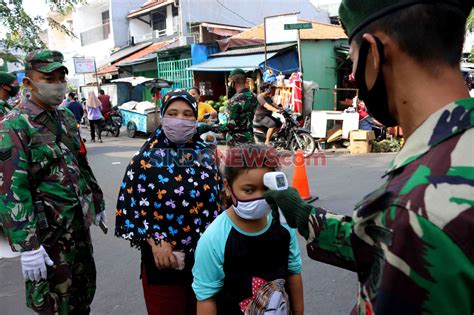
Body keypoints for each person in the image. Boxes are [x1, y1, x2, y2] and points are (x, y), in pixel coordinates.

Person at [264, 1, 474, 314]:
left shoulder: (415, 207)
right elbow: (384, 241)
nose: (351, 75)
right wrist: (305, 216)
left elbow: (407, 234)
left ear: (375, 54)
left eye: (352, 60)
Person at [0, 49, 105, 314]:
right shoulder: (14, 125)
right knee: (55, 303)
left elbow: (80, 164)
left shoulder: (66, 118)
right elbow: (12, 190)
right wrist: (29, 246)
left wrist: (96, 199)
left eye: (61, 77)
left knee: (82, 293)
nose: (57, 84)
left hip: (78, 227)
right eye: (49, 78)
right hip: (48, 237)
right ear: (28, 83)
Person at [115, 89, 223, 315]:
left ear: (196, 120)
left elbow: (221, 204)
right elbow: (130, 209)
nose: (180, 120)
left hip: (207, 261)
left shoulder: (207, 157)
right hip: (164, 260)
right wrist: (156, 241)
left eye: (187, 114)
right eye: (173, 113)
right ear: (162, 117)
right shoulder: (143, 160)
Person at [192, 144, 303, 315]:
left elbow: (294, 272)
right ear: (228, 188)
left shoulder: (283, 224)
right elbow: (206, 297)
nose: (260, 197)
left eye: (266, 188)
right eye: (249, 190)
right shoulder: (214, 239)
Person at [217, 68, 258, 146]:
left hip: (236, 142)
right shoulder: (254, 96)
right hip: (250, 138)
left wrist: (212, 127)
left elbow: (230, 125)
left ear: (233, 82)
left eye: (229, 82)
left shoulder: (235, 100)